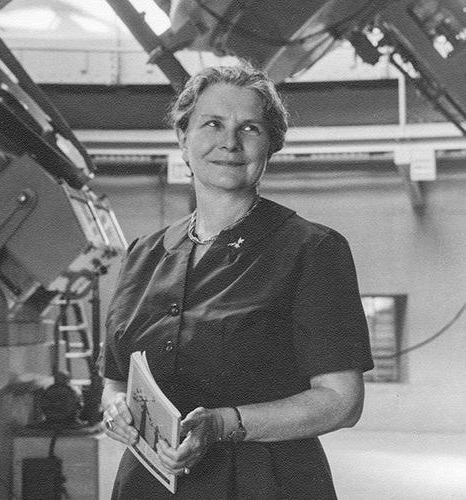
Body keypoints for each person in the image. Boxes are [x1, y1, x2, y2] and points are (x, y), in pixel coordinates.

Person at [99, 61, 374, 499]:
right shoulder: (143, 254)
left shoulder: (312, 249)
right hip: (148, 483)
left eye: (250, 128)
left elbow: (342, 401)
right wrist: (115, 408)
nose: (229, 141)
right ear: (183, 138)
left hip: (265, 483)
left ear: (272, 146)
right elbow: (116, 381)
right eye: (212, 123)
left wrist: (225, 423)